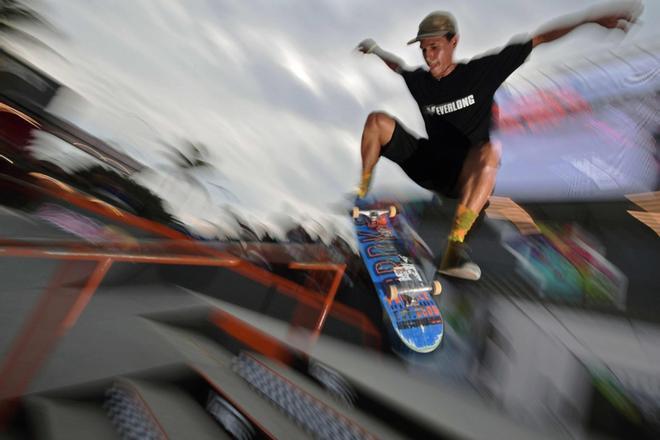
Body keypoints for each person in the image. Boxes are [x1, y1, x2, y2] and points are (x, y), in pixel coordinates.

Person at [355, 2, 641, 280]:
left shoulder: (481, 72)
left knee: (491, 151)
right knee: (377, 121)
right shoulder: (420, 81)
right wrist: (376, 49)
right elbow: (398, 66)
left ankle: (455, 248)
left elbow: (538, 39)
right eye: (424, 50)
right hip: (430, 164)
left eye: (435, 48)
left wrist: (589, 19)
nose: (429, 57)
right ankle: (362, 194)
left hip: (467, 177)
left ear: (453, 42)